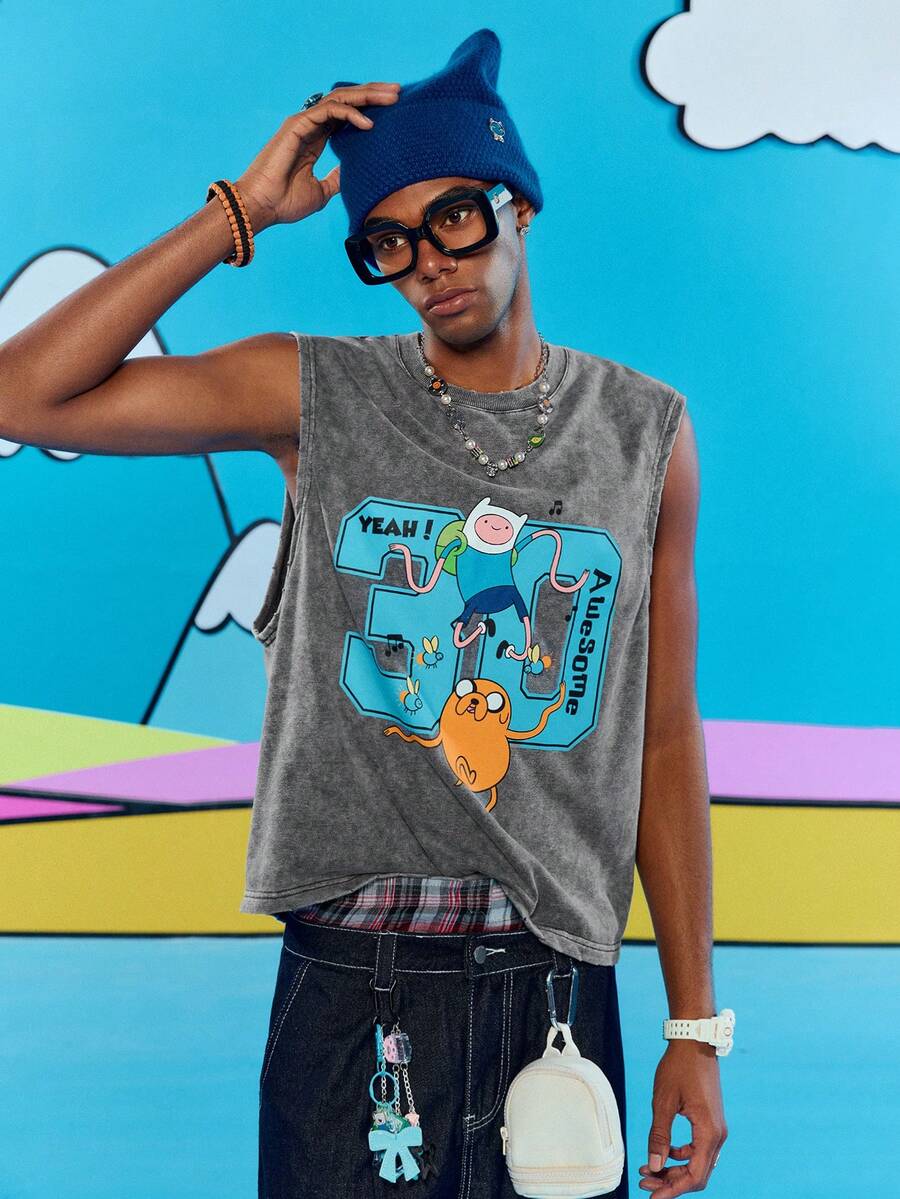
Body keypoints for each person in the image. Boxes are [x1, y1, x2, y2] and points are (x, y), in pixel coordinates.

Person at [0, 27, 729, 1199]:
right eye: (390, 240)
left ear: (518, 207)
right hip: (354, 988)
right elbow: (23, 392)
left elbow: (662, 736)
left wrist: (695, 1025)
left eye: (455, 218)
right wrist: (239, 212)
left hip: (553, 989)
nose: (431, 261)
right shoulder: (317, 393)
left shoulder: (646, 434)